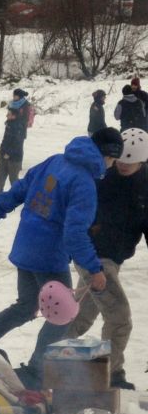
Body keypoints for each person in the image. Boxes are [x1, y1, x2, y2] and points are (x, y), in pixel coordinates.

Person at [0, 129, 113, 382]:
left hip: (25, 247)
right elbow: (74, 233)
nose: (111, 166)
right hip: (49, 257)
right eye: (113, 160)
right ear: (106, 155)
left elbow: (20, 189)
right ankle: (37, 371)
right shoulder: (84, 182)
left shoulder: (55, 161)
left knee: (27, 306)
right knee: (63, 315)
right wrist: (94, 269)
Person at [68, 127, 148, 390]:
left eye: (131, 161)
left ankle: (46, 360)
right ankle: (112, 375)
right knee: (119, 316)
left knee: (81, 314)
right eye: (121, 159)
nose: (123, 165)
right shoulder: (101, 176)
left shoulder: (144, 185)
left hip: (114, 257)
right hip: (93, 255)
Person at [0, 92, 31, 197]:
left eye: (8, 114)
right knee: (0, 175)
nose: (6, 115)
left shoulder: (18, 127)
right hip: (5, 155)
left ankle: (19, 195)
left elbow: (17, 143)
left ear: (14, 116)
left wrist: (8, 153)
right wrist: (2, 152)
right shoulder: (9, 124)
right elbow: (5, 141)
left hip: (13, 157)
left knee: (13, 178)